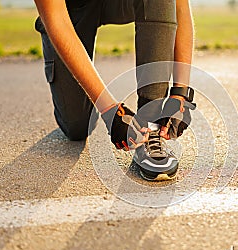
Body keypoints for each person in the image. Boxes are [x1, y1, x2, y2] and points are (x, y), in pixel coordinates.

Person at [33, 0, 196, 181]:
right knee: (77, 126)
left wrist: (181, 93)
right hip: (70, 9)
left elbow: (179, 5)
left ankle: (151, 124)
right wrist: (110, 110)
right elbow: (57, 20)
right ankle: (87, 103)